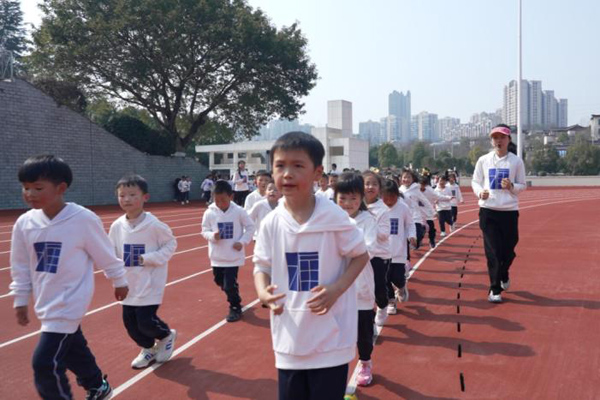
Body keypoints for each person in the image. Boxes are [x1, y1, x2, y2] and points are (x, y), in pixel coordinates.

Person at [253, 131, 369, 400]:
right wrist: (262, 292)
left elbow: (360, 255)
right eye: (280, 166)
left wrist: (336, 289)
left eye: (298, 166)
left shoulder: (334, 217)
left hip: (331, 338)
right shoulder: (272, 222)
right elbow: (261, 264)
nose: (287, 174)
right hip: (289, 338)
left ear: (317, 173)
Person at [9, 155, 128, 400]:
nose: (29, 193)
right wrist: (21, 298)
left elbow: (104, 253)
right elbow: (20, 264)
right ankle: (98, 385)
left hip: (69, 302)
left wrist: (119, 280)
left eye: (38, 188)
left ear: (61, 188)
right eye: (25, 187)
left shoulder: (82, 219)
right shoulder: (24, 223)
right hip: (46, 300)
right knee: (72, 346)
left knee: (45, 364)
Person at [108, 175, 178, 369]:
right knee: (131, 326)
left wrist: (147, 258)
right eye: (122, 195)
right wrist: (115, 279)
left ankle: (165, 335)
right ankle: (148, 349)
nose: (127, 199)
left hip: (150, 282)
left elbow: (171, 244)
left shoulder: (154, 225)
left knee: (146, 322)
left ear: (145, 197)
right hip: (128, 284)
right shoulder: (116, 227)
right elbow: (111, 252)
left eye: (132, 194)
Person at [472, 124, 526, 303]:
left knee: (509, 251)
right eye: (495, 138)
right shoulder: (483, 160)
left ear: (508, 140)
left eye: (502, 137)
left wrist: (511, 186)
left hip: (509, 212)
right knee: (493, 252)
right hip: (488, 211)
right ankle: (495, 288)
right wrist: (480, 192)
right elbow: (475, 181)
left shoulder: (516, 161)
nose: (498, 141)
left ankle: (503, 273)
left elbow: (522, 185)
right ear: (491, 141)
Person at [334, 172, 377, 388]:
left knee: (363, 331)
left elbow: (367, 249)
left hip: (361, 287)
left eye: (353, 198)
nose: (347, 204)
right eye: (342, 198)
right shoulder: (330, 220)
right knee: (336, 332)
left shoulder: (367, 220)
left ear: (361, 198)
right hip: (336, 289)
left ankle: (365, 362)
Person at [202, 180, 255, 322]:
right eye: (216, 200)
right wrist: (213, 236)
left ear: (231, 197)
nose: (219, 203)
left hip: (233, 255)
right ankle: (233, 293)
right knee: (219, 281)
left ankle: (235, 306)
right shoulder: (209, 212)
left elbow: (250, 227)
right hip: (217, 256)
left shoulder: (239, 211)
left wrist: (242, 242)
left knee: (229, 284)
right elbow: (204, 230)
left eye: (223, 200)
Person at [362, 170, 392, 327]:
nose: (370, 187)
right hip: (360, 253)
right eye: (367, 183)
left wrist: (369, 221)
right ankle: (367, 321)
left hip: (379, 255)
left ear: (379, 188)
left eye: (374, 184)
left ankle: (382, 306)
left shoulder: (383, 210)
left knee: (378, 286)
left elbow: (385, 235)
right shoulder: (356, 206)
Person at [381, 179, 416, 314]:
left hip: (398, 252)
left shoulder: (402, 208)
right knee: (384, 279)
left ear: (397, 195)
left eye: (392, 197)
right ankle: (391, 301)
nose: (389, 200)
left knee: (397, 278)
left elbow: (410, 224)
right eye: (386, 197)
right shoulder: (378, 208)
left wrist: (412, 236)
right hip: (382, 252)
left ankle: (401, 287)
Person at [400, 169, 434, 249]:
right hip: (404, 218)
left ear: (413, 179)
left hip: (415, 217)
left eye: (409, 177)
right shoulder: (399, 190)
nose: (406, 179)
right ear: (401, 179)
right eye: (404, 177)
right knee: (405, 239)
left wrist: (433, 211)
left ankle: (422, 231)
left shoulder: (416, 190)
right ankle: (407, 258)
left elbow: (425, 201)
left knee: (418, 237)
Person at [419, 175, 451, 248]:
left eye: (424, 185)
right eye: (420, 185)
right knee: (420, 229)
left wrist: (448, 198)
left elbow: (438, 196)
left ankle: (432, 240)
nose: (422, 187)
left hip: (428, 213)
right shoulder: (415, 190)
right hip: (419, 214)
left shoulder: (430, 191)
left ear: (426, 185)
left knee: (431, 228)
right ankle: (419, 240)